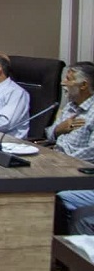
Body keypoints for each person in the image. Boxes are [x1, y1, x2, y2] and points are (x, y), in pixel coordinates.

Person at [45, 62, 94, 235]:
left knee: (52, 198)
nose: (62, 83)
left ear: (84, 85)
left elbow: (92, 151)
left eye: (68, 79)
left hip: (78, 173)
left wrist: (62, 161)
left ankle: (56, 247)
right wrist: (59, 129)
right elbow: (49, 133)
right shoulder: (70, 106)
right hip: (55, 165)